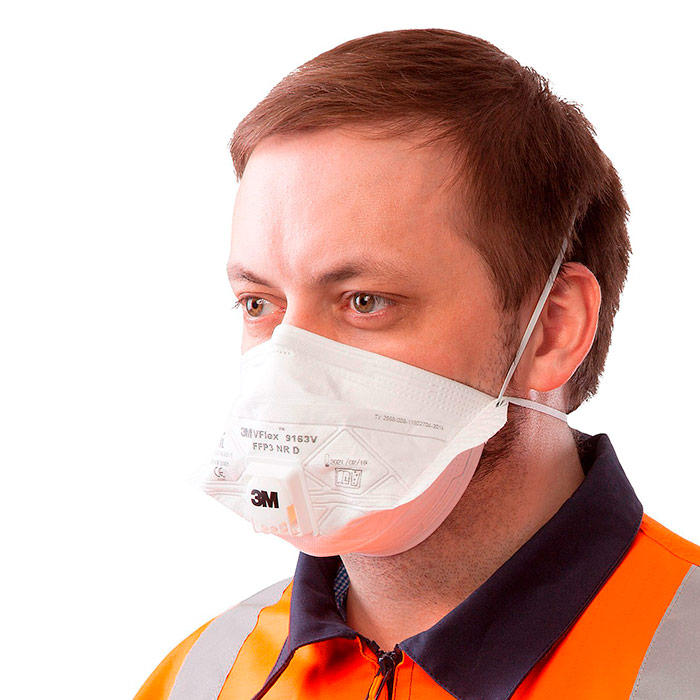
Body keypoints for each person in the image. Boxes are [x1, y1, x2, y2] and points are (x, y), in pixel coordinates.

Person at [135, 28, 700, 700]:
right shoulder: (201, 678)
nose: (289, 364)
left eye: (365, 301)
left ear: (552, 329)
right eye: (259, 304)